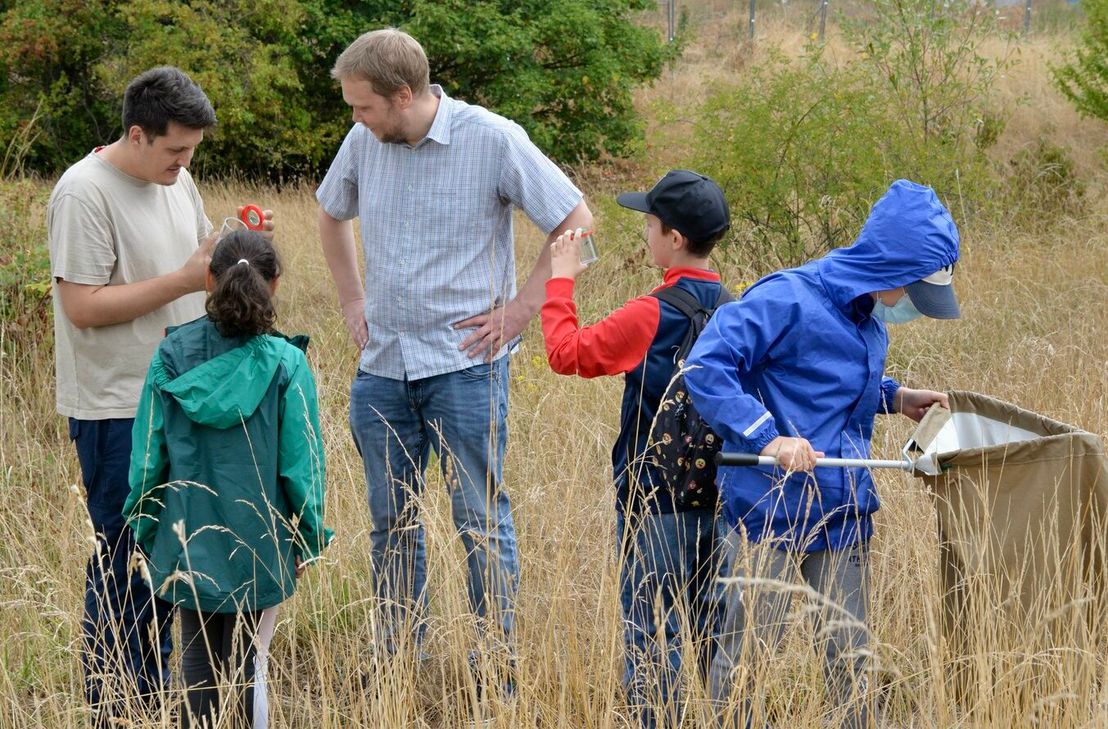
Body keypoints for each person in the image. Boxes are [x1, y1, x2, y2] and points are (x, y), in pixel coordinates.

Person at [315, 28, 592, 668]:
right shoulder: (364, 140)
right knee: (392, 525)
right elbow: (331, 212)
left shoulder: (491, 138)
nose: (354, 119)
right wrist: (352, 302)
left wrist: (524, 309)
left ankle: (494, 669)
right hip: (382, 368)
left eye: (363, 106)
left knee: (479, 522)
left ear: (403, 93)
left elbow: (575, 221)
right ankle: (399, 666)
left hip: (466, 369)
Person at [684, 179, 960, 728]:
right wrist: (770, 437)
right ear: (887, 267)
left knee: (851, 664)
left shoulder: (866, 313)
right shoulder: (784, 299)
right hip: (770, 515)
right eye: (909, 287)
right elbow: (705, 366)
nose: (909, 302)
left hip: (842, 511)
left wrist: (896, 397)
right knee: (746, 662)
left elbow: (828, 386)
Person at [46, 65, 274, 725]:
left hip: (187, 399)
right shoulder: (83, 192)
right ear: (138, 134)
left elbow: (199, 266)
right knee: (126, 567)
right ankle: (119, 707)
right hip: (118, 409)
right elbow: (83, 307)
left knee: (179, 558)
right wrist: (182, 279)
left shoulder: (177, 180)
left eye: (193, 151)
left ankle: (168, 701)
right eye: (175, 150)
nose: (185, 162)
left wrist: (237, 265)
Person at [541, 170, 731, 727]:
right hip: (724, 498)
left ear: (674, 238)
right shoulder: (737, 307)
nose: (644, 232)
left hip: (654, 500)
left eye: (649, 223)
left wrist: (561, 278)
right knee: (713, 635)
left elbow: (566, 353)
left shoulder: (652, 311)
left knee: (651, 636)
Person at [123, 231, 332, 728]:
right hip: (260, 540)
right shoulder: (287, 363)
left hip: (187, 535)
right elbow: (301, 469)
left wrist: (150, 531)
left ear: (208, 281)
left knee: (195, 660)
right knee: (245, 665)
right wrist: (307, 537)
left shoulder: (170, 355)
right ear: (274, 285)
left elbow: (148, 457)